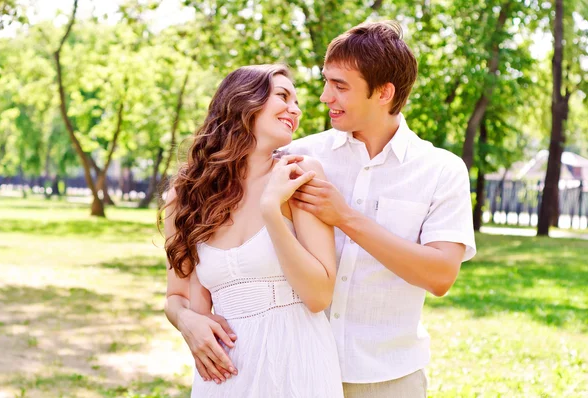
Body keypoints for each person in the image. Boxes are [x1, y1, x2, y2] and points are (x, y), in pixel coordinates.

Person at [285, 21, 477, 397]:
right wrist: (187, 311)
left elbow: (440, 275)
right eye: (326, 81)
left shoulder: (441, 170)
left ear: (384, 92)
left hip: (390, 380)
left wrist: (344, 217)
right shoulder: (298, 156)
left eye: (340, 86)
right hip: (298, 370)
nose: (325, 97)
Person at [161, 64, 343, 397]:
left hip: (296, 364)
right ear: (244, 101)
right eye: (283, 96)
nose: (296, 109)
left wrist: (271, 212)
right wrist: (187, 322)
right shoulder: (188, 195)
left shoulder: (300, 174)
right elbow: (179, 298)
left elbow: (319, 296)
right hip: (224, 371)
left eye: (296, 101)